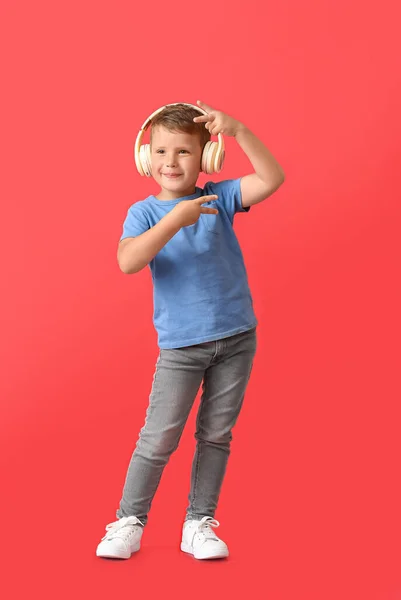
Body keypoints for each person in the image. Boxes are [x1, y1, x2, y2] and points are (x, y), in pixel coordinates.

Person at [96, 100, 285, 561]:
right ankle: (129, 521)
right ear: (146, 158)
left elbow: (272, 179)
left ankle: (199, 523)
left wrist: (239, 129)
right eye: (161, 152)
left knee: (216, 435)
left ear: (206, 158)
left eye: (183, 152)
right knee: (159, 436)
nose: (171, 162)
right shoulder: (143, 213)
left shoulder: (218, 198)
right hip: (182, 347)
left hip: (237, 337)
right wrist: (173, 220)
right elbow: (128, 261)